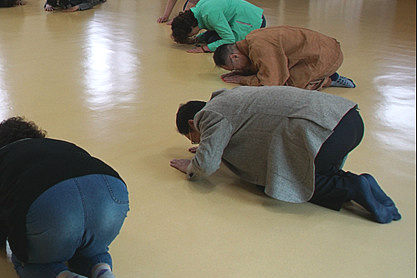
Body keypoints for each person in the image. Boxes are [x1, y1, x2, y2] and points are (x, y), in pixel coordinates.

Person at [0, 117, 128, 278]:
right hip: (112, 193)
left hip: (50, 207)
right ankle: (102, 271)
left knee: (23, 258)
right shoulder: (63, 144)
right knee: (91, 245)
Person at [171, 87, 400, 223]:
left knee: (286, 181)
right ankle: (359, 182)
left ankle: (353, 186)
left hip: (322, 131)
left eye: (195, 137)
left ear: (194, 122)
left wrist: (193, 167)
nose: (198, 142)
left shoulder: (209, 115)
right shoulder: (230, 99)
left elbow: (207, 165)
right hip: (346, 120)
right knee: (311, 168)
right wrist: (209, 144)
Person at [213, 25, 355, 90]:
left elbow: (271, 83)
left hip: (328, 56)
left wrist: (243, 79)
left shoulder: (259, 47)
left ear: (235, 56)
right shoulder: (251, 39)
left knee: (289, 87)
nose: (239, 69)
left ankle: (329, 80)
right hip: (323, 49)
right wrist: (243, 72)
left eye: (235, 67)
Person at [170, 0, 265, 53]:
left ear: (191, 27)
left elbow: (229, 39)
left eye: (189, 34)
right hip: (242, 16)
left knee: (213, 41)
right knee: (209, 38)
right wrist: (197, 39)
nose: (190, 35)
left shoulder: (210, 14)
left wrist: (205, 48)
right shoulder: (199, 9)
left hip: (254, 20)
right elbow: (213, 26)